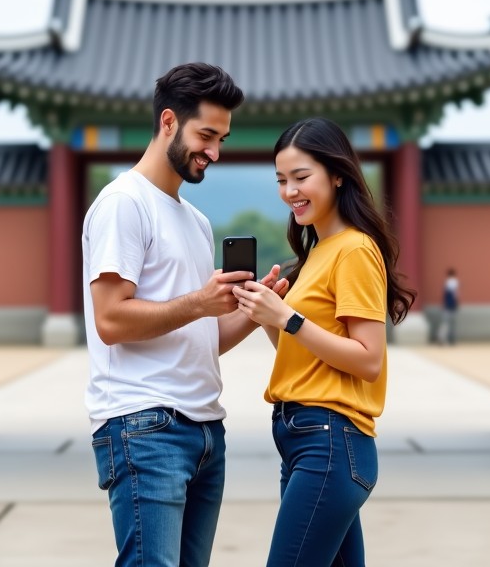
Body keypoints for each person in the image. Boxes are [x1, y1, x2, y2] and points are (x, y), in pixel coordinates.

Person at [82, 62, 289, 567]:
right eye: (207, 135)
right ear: (169, 122)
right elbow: (111, 320)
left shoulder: (196, 221)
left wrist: (256, 309)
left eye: (222, 139)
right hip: (143, 425)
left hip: (205, 431)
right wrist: (199, 301)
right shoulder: (123, 204)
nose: (215, 152)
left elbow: (203, 337)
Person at [233, 117, 415, 567]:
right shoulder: (315, 252)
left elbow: (369, 360)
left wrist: (290, 318)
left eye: (301, 177)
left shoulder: (354, 249)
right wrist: (269, 318)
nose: (290, 191)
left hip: (330, 441)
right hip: (302, 440)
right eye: (281, 180)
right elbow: (307, 357)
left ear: (337, 174)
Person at [441, 267, 460, 346]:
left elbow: (446, 295)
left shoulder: (447, 282)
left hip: (447, 305)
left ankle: (444, 339)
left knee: (446, 323)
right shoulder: (454, 282)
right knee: (451, 324)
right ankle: (450, 339)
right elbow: (455, 295)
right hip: (452, 304)